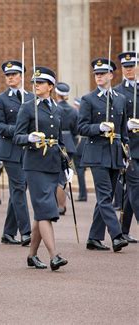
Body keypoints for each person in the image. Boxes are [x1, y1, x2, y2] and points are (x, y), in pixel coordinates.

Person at [13, 66, 69, 271]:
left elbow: (60, 140)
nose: (35, 86)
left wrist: (66, 164)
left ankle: (32, 255)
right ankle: (54, 255)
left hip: (53, 164)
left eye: (40, 83)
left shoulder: (57, 108)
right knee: (46, 209)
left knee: (41, 212)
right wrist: (29, 138)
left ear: (51, 86)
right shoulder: (27, 107)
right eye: (34, 83)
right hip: (35, 165)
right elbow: (17, 136)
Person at [78, 58, 129, 252]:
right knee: (106, 195)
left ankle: (93, 238)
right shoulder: (88, 99)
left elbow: (123, 130)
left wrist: (126, 151)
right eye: (96, 73)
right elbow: (81, 127)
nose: (98, 76)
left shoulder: (120, 98)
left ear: (111, 75)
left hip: (115, 152)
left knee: (103, 197)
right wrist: (98, 127)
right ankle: (116, 235)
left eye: (102, 73)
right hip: (96, 152)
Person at [0, 60, 33, 246]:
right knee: (18, 189)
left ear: (21, 76)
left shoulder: (31, 97)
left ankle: (8, 233)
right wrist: (18, 130)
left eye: (14, 75)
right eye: (7, 75)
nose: (10, 78)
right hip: (9, 150)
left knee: (19, 190)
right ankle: (26, 232)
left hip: (28, 150)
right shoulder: (1, 99)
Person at [114, 51, 139, 243]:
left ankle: (123, 229)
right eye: (125, 67)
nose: (129, 70)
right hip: (129, 146)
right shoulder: (117, 92)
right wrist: (127, 124)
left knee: (131, 190)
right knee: (135, 186)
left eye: (132, 66)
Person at [54, 82, 78, 215]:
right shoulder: (73, 110)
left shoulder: (54, 108)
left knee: (57, 177)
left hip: (57, 143)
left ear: (57, 93)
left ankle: (59, 206)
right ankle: (62, 205)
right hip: (69, 144)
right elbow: (75, 131)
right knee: (64, 175)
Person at [73, 97, 88, 201]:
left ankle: (82, 194)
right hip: (85, 144)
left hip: (80, 144)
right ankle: (83, 193)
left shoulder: (77, 115)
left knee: (80, 172)